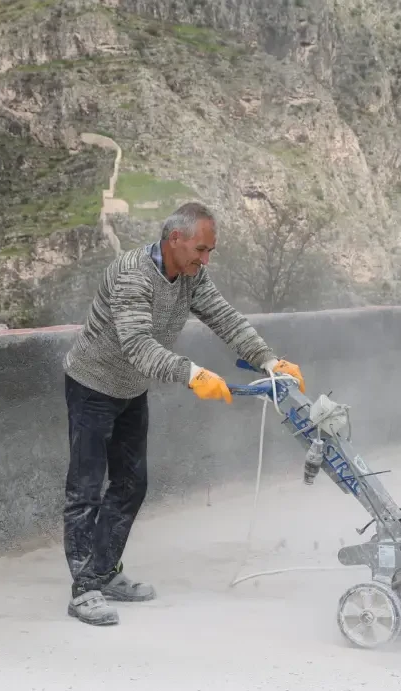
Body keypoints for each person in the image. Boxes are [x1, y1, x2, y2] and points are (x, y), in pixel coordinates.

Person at [60, 201, 306, 627]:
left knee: (132, 483)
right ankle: (83, 591)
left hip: (131, 389)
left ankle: (104, 571)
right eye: (201, 249)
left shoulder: (191, 277)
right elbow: (137, 346)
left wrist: (268, 360)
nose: (206, 259)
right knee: (85, 490)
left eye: (210, 251)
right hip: (92, 388)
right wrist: (191, 373)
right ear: (175, 239)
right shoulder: (132, 275)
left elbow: (225, 319)